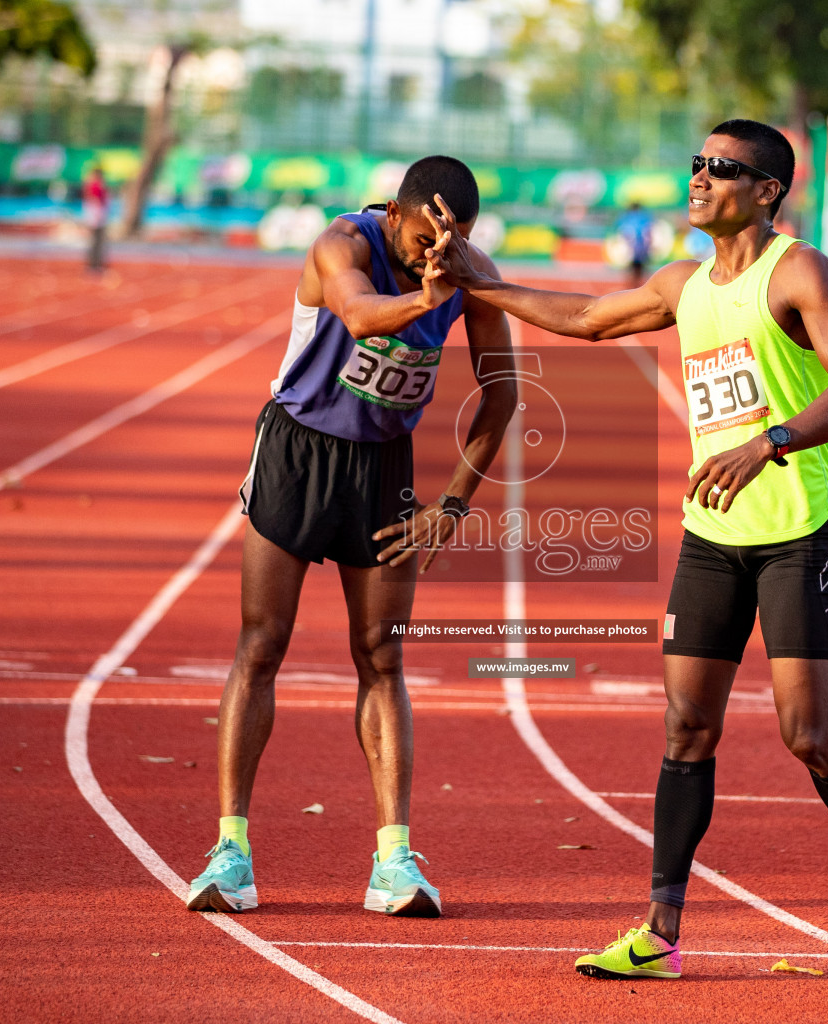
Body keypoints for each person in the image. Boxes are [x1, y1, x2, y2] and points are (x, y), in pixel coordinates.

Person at [426, 120, 828, 981]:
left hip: (796, 528)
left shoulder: (797, 271)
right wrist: (479, 285)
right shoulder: (683, 283)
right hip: (711, 535)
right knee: (687, 727)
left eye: (720, 169)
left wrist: (771, 441)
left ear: (767, 191)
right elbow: (583, 319)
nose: (698, 179)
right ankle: (659, 931)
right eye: (695, 163)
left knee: (809, 735)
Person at [184, 156, 516, 919]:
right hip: (298, 450)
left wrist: (454, 504)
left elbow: (504, 395)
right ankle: (230, 851)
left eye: (456, 239)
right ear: (394, 214)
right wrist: (432, 296)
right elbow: (361, 316)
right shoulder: (343, 245)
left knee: (383, 655)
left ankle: (395, 861)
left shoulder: (467, 270)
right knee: (262, 642)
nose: (439, 252)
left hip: (382, 469)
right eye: (428, 236)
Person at [617, 201, 654, 287]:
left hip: (631, 248)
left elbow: (622, 231)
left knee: (630, 271)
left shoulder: (626, 217)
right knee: (641, 271)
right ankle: (640, 288)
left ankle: (630, 288)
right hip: (642, 249)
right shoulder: (644, 217)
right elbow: (648, 233)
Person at [84, 165, 109, 272]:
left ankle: (95, 264)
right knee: (96, 242)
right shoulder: (95, 186)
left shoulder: (94, 185)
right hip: (96, 217)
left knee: (97, 242)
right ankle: (94, 265)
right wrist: (97, 216)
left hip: (97, 216)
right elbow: (94, 201)